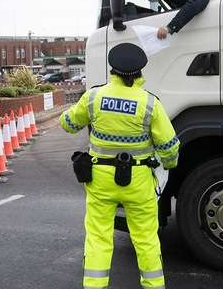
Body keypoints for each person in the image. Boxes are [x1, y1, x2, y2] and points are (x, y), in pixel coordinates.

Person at [60, 43, 180, 289]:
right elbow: (169, 147)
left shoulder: (94, 96)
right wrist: (168, 165)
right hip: (139, 181)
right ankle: (154, 285)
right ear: (139, 72)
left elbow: (69, 124)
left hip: (100, 180)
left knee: (98, 236)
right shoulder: (150, 103)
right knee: (146, 238)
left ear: (112, 70)